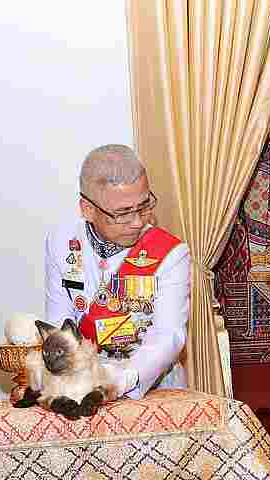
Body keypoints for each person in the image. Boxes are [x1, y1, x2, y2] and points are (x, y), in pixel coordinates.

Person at [44, 144, 190, 399]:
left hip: (152, 387)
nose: (137, 221)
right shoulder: (62, 243)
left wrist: (118, 381)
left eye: (144, 206)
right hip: (82, 384)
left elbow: (168, 336)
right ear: (88, 209)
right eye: (122, 213)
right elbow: (59, 324)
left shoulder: (170, 254)